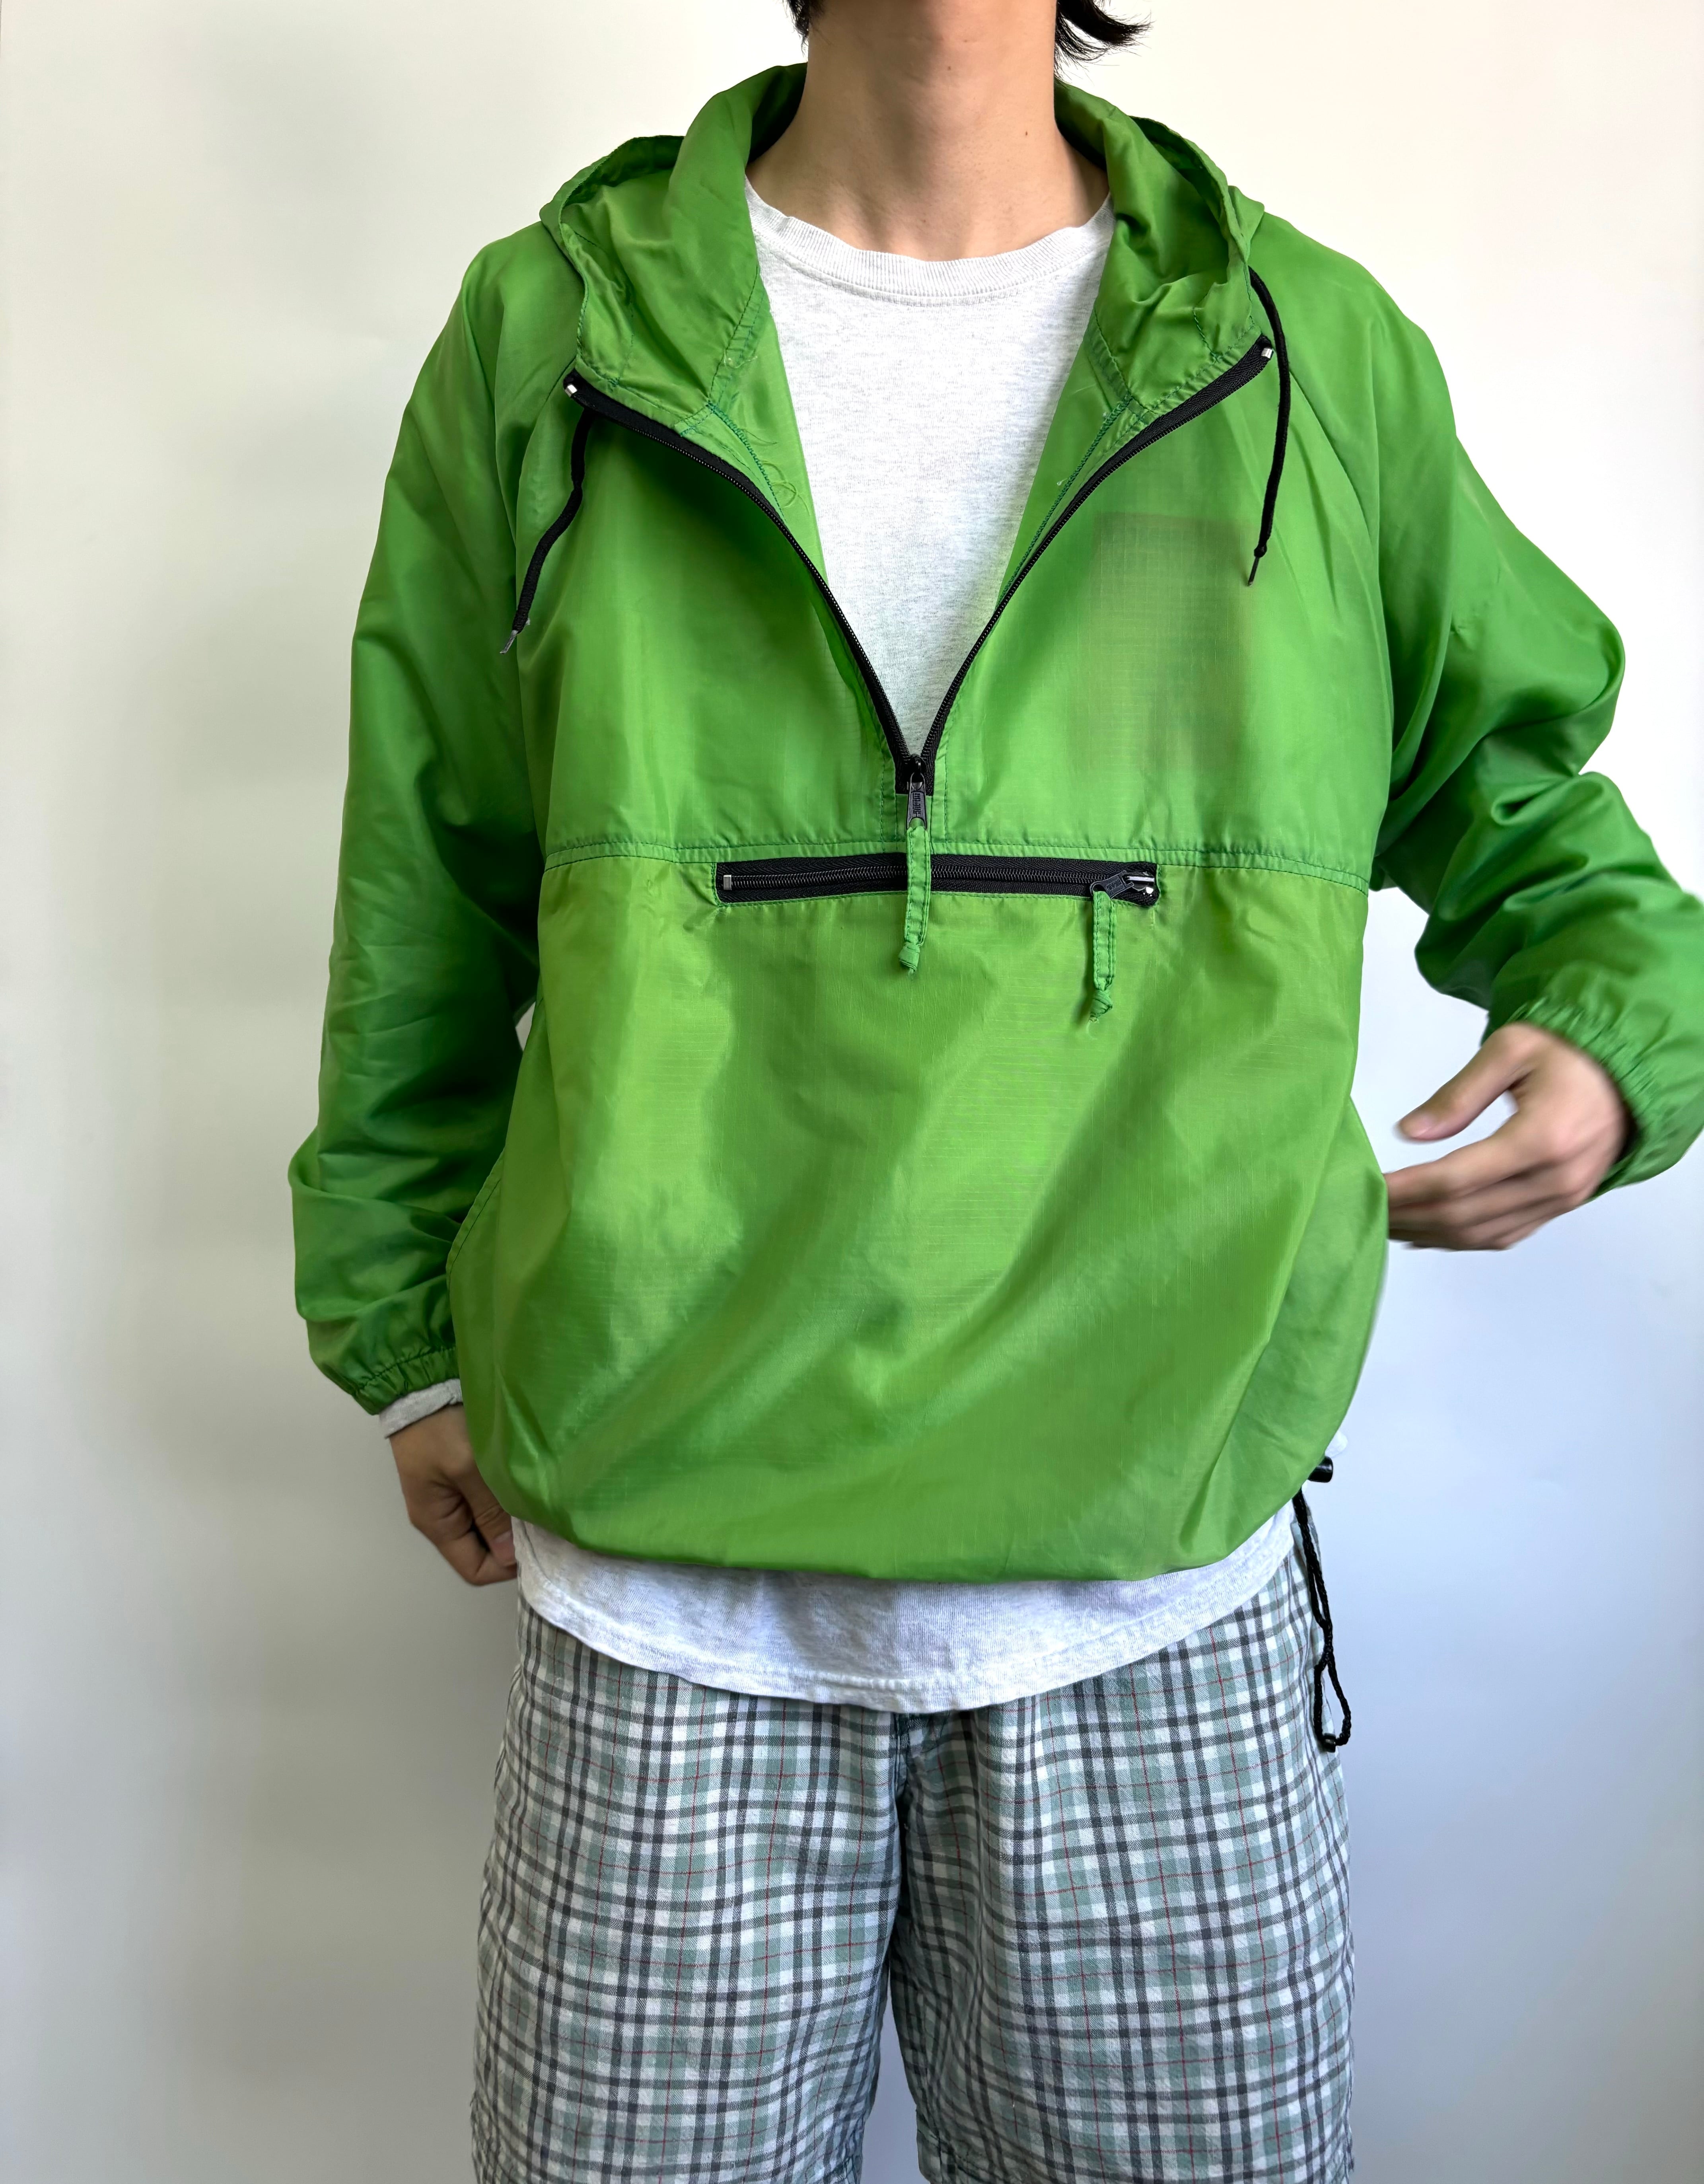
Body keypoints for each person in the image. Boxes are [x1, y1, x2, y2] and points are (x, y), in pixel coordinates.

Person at [290, 2, 1704, 2176]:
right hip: (667, 1604)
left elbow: (1531, 810)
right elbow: (432, 865)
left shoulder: (1307, 351)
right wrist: (401, 1333)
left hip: (1160, 1590)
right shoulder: (548, 335)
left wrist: (1619, 1029)